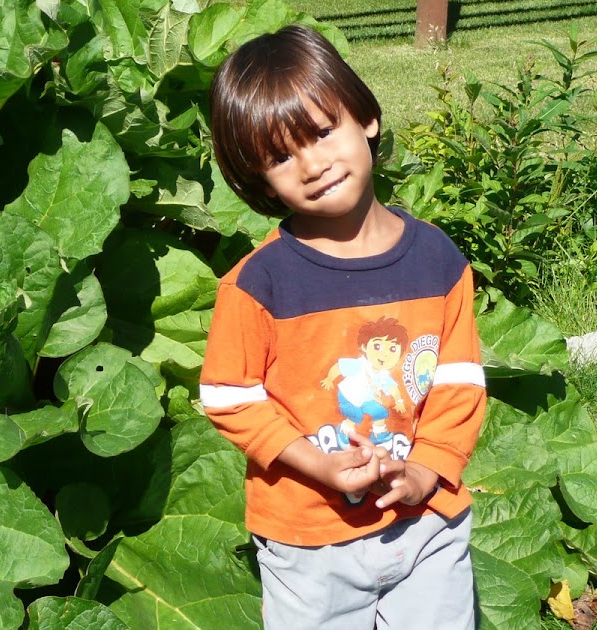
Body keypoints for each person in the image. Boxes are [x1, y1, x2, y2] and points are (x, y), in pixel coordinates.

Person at [199, 24, 487, 629]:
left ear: (366, 119)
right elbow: (229, 397)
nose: (312, 163)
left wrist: (426, 469)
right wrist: (317, 464)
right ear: (259, 179)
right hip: (308, 542)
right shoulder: (258, 284)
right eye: (280, 156)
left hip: (428, 523)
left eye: (322, 131)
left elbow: (459, 380)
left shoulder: (439, 261)